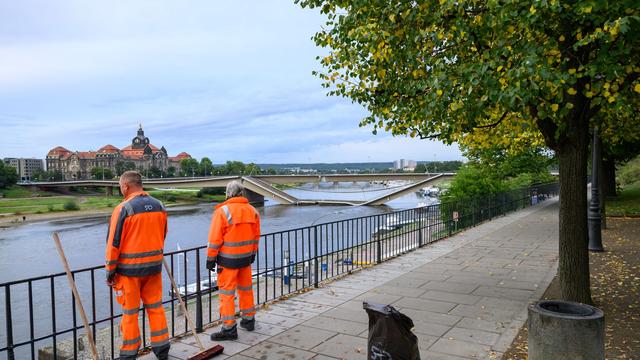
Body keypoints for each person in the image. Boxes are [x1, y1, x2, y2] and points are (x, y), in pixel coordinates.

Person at [105, 171, 170, 359]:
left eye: (120, 186)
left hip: (129, 271)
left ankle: (129, 353)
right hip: (154, 268)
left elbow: (113, 243)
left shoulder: (123, 209)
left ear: (126, 186)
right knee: (156, 307)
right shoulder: (159, 206)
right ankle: (162, 348)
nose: (120, 189)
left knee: (130, 313)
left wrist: (110, 270)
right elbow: (163, 234)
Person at [206, 180, 260, 340]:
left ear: (228, 193)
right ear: (242, 193)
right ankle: (249, 320)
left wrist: (210, 258)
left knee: (227, 294)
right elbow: (256, 235)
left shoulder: (222, 211)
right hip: (245, 259)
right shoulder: (252, 210)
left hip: (228, 261)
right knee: (246, 289)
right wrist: (253, 253)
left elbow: (215, 238)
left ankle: (229, 329)